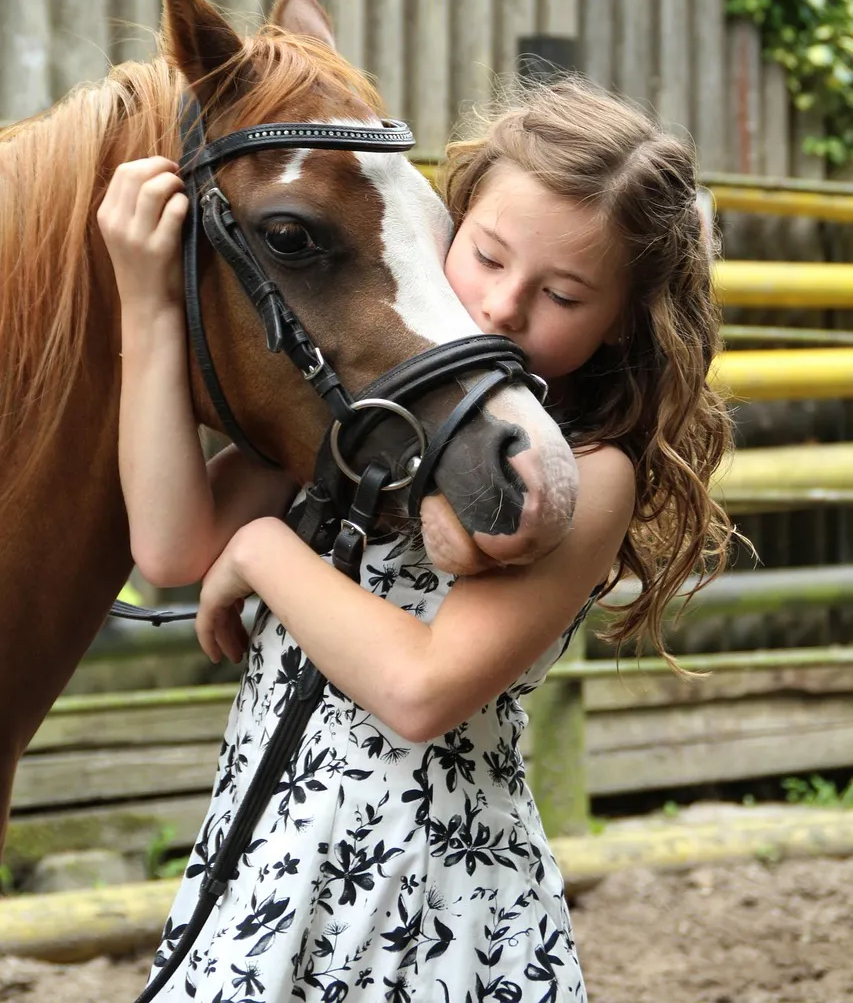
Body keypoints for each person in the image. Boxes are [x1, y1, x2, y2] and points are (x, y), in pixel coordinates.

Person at [97, 75, 733, 1002]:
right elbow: (170, 548)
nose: (504, 306)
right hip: (270, 869)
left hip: (431, 903)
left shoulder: (589, 471)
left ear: (623, 321)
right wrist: (147, 306)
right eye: (485, 256)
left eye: (560, 294)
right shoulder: (363, 412)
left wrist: (262, 555)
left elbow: (421, 690)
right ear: (445, 222)